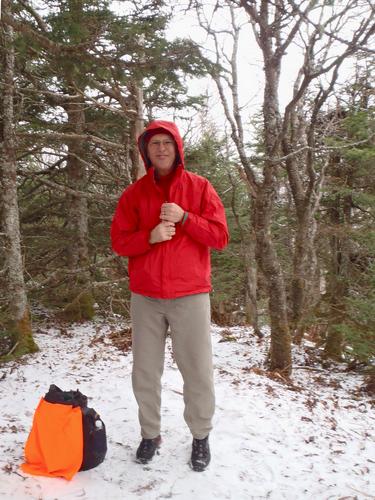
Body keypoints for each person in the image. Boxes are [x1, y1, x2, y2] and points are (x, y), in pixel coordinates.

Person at [110, 120, 229, 472]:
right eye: (154, 144)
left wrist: (186, 217)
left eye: (166, 142)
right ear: (146, 151)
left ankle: (201, 436)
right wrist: (151, 236)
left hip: (190, 295)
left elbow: (220, 237)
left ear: (177, 148)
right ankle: (150, 434)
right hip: (146, 296)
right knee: (145, 371)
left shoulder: (200, 187)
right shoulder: (135, 194)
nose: (160, 148)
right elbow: (119, 241)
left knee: (197, 371)